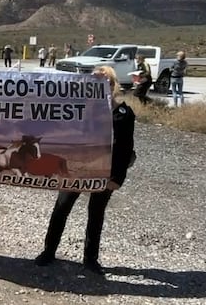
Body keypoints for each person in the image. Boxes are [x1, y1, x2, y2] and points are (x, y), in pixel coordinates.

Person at [34, 65, 136, 274]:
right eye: (95, 81)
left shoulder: (123, 113)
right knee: (61, 209)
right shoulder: (78, 109)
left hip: (105, 172)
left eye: (106, 81)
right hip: (76, 169)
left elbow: (125, 149)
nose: (101, 85)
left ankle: (90, 258)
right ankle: (48, 251)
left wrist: (117, 178)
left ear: (113, 85)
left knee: (96, 213)